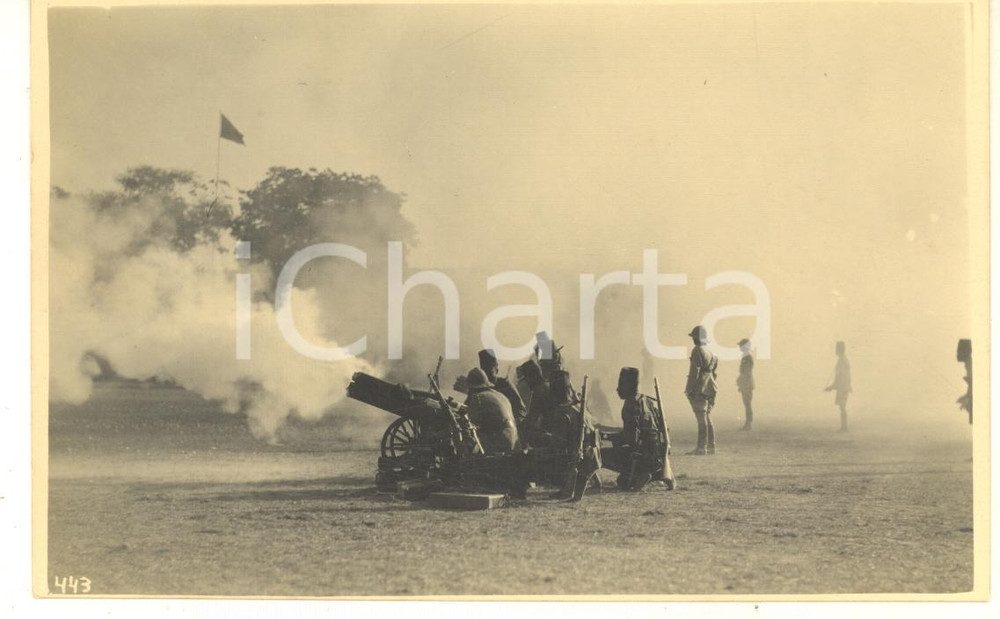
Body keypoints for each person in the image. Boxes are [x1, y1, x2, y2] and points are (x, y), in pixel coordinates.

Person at [614, 367, 675, 490]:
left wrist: (606, 435)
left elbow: (631, 437)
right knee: (622, 481)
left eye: (621, 385)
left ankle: (640, 473)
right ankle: (650, 474)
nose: (617, 389)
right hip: (656, 453)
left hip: (641, 454)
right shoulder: (647, 401)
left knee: (601, 455)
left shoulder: (630, 404)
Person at [463, 367, 520, 454]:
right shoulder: (500, 395)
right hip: (514, 440)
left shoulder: (477, 397)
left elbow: (471, 423)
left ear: (472, 387)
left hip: (499, 443)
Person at [684, 325, 718, 455]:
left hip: (700, 387)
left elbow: (695, 372)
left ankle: (701, 447)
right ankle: (711, 446)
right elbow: (714, 373)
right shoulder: (712, 353)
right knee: (707, 417)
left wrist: (689, 388)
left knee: (701, 418)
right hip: (711, 387)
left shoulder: (697, 350)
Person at [478, 348, 527, 423]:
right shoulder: (480, 388)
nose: (487, 377)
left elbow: (521, 411)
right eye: (485, 373)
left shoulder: (506, 385)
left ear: (497, 370)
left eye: (490, 373)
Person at [824, 341, 852, 432]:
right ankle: (844, 427)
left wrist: (832, 387)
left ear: (840, 349)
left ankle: (844, 428)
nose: (835, 350)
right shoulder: (842, 360)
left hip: (843, 387)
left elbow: (842, 376)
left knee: (842, 406)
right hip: (843, 387)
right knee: (842, 406)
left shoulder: (843, 360)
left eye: (837, 348)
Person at [736, 338, 755, 430]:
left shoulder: (747, 357)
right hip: (746, 383)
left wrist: (742, 382)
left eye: (741, 345)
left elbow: (746, 372)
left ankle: (749, 423)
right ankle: (748, 423)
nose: (739, 347)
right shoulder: (746, 356)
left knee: (747, 403)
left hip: (747, 384)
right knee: (747, 403)